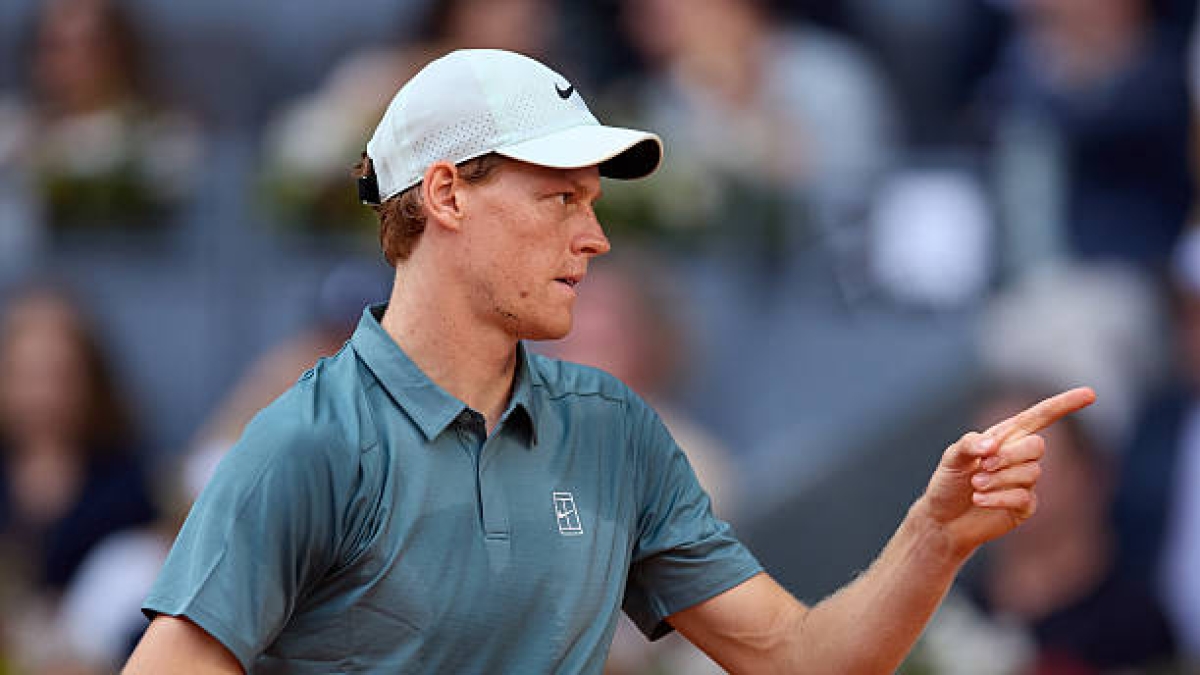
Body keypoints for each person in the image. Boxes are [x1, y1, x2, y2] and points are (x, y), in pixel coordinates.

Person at [124, 49, 1094, 674]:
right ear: (448, 195)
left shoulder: (617, 430)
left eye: (593, 203)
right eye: (561, 199)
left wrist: (933, 538)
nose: (595, 237)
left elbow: (798, 660)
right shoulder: (308, 443)